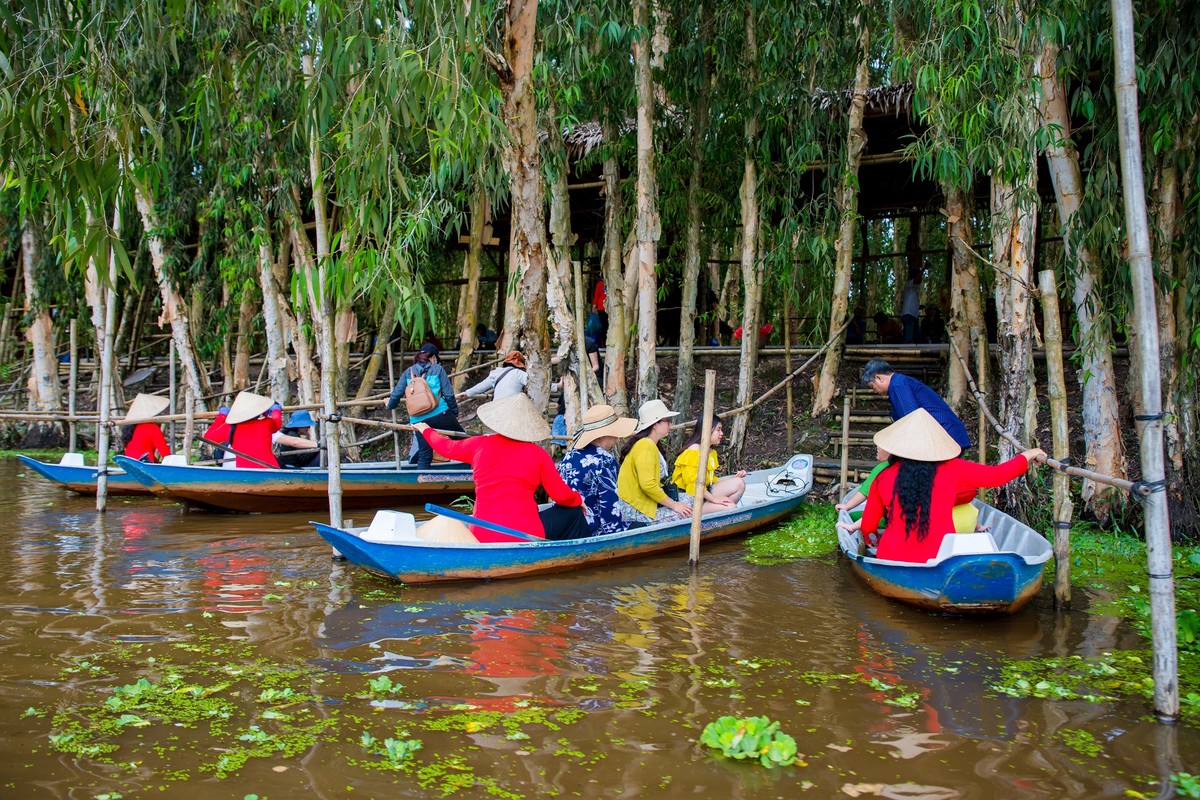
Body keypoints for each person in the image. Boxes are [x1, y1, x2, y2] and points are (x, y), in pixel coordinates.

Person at [855, 408, 1046, 563]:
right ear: (936, 444)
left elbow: (869, 525)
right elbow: (997, 476)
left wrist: (873, 541)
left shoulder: (883, 476)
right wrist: (1027, 455)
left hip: (893, 557)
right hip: (942, 558)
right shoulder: (954, 469)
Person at [417, 393, 589, 542]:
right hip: (525, 533)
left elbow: (446, 447)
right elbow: (561, 496)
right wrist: (578, 500)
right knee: (573, 513)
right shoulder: (538, 454)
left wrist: (426, 430)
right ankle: (575, 556)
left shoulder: (479, 444)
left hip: (482, 531)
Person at [558, 404, 638, 537]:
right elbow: (610, 506)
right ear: (604, 434)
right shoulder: (604, 460)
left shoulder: (570, 455)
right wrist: (616, 536)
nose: (617, 437)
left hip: (567, 525)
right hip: (591, 529)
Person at [862, 358, 971, 451]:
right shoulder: (900, 382)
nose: (874, 390)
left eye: (872, 386)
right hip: (945, 434)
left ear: (879, 378)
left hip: (945, 435)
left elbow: (912, 419)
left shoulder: (898, 384)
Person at [616, 399, 695, 525]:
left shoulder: (650, 444)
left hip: (645, 501)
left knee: (690, 500)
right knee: (688, 513)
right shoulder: (645, 445)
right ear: (655, 424)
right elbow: (648, 485)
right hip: (637, 508)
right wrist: (674, 505)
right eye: (667, 421)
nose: (670, 425)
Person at [386, 343, 465, 468]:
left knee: (425, 454)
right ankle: (475, 473)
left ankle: (422, 483)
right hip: (441, 414)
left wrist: (390, 405)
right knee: (464, 443)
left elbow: (396, 395)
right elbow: (449, 395)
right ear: (433, 358)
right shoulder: (437, 369)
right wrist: (454, 412)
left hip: (418, 420)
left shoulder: (408, 372)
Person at [671, 415, 746, 513]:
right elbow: (694, 485)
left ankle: (719, 512)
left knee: (739, 483)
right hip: (690, 497)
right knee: (730, 507)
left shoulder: (711, 452)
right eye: (718, 430)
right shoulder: (693, 451)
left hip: (704, 492)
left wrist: (734, 477)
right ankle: (715, 512)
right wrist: (714, 499)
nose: (721, 433)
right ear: (707, 430)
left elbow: (711, 480)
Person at [204, 391, 283, 469]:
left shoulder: (230, 427)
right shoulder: (266, 423)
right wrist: (276, 411)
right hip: (270, 469)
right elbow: (277, 423)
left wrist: (222, 416)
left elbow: (209, 437)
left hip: (245, 471)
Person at [457, 350, 527, 401]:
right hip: (514, 407)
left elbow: (481, 386)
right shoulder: (520, 374)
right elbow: (532, 385)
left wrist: (467, 393)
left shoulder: (496, 373)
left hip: (497, 405)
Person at [122, 393, 171, 463]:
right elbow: (164, 451)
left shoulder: (131, 427)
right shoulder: (152, 427)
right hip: (144, 462)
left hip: (129, 462)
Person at [901, 270, 922, 344]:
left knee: (917, 336)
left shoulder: (914, 290)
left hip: (913, 315)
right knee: (908, 336)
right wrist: (924, 268)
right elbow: (916, 279)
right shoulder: (909, 284)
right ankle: (904, 351)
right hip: (909, 315)